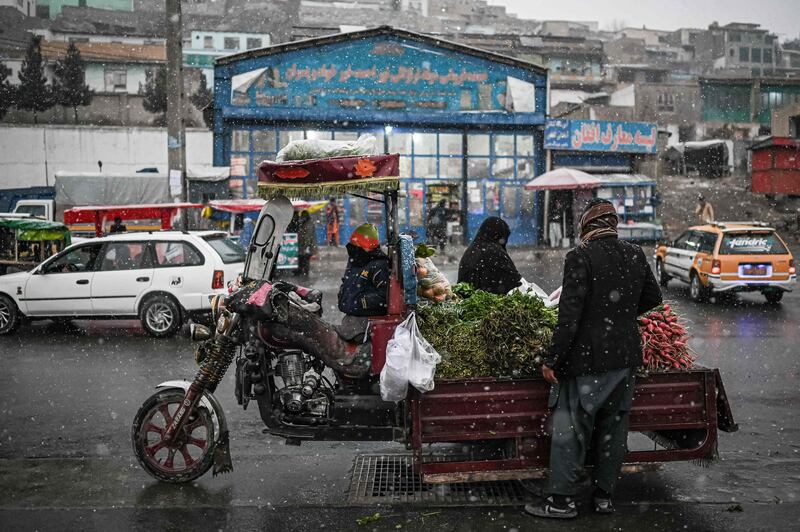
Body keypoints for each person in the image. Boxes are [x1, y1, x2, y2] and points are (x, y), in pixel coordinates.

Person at [526, 199, 662, 520]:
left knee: (571, 430)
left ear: (587, 227)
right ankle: (604, 499)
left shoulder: (581, 256)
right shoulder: (635, 254)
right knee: (614, 431)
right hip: (625, 359)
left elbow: (568, 316)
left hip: (588, 360)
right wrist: (619, 318)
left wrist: (552, 359)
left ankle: (561, 501)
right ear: (613, 225)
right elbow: (653, 298)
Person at [457, 216, 522, 295]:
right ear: (499, 235)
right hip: (490, 304)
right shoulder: (496, 252)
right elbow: (516, 283)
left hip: (466, 302)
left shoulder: (470, 251)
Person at [338, 223, 389, 316]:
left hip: (366, 320)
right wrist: (343, 294)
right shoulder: (356, 259)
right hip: (350, 315)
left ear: (366, 245)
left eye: (355, 244)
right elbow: (346, 280)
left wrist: (362, 302)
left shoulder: (379, 265)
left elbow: (384, 295)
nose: (352, 247)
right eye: (351, 243)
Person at [296, 210, 317, 276]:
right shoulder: (306, 223)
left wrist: (305, 246)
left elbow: (308, 236)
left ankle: (305, 272)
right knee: (303, 258)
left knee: (305, 259)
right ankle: (302, 271)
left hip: (307, 246)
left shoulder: (308, 224)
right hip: (305, 245)